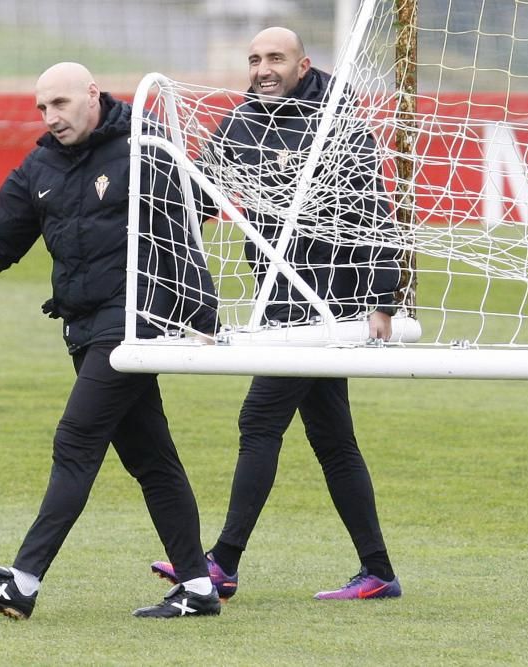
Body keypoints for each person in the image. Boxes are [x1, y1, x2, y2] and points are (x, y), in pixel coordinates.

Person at [0, 62, 222, 620]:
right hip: (81, 327)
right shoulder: (40, 167)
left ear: (92, 95)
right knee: (152, 459)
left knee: (75, 442)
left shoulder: (145, 149)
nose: (51, 117)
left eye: (60, 104)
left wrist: (201, 311)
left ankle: (23, 581)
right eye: (42, 108)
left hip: (132, 322)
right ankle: (198, 587)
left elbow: (185, 230)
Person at [150, 27, 403, 600]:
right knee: (333, 439)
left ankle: (223, 562)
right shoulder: (241, 121)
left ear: (303, 64)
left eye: (275, 59)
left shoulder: (338, 120)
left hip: (326, 305)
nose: (263, 68)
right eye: (255, 59)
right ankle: (379, 571)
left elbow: (377, 210)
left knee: (259, 421)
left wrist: (384, 300)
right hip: (276, 300)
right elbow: (198, 195)